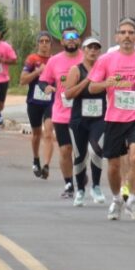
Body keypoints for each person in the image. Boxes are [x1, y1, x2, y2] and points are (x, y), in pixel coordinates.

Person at [88, 18, 135, 220]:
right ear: (116, 36)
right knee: (113, 165)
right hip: (114, 118)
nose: (127, 36)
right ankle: (117, 198)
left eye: (130, 32)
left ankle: (133, 200)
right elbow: (92, 87)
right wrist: (106, 84)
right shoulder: (106, 60)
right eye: (123, 32)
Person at [38, 29, 85, 198]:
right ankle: (69, 183)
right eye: (67, 37)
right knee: (65, 150)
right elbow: (43, 81)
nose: (71, 40)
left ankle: (82, 172)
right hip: (61, 114)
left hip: (83, 113)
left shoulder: (86, 58)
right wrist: (47, 87)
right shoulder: (54, 61)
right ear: (62, 42)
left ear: (79, 40)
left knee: (81, 151)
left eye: (74, 37)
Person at [64, 35, 108, 205]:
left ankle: (96, 186)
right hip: (79, 119)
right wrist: (87, 82)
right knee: (80, 155)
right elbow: (68, 94)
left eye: (96, 48)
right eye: (89, 48)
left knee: (96, 149)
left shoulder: (104, 69)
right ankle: (80, 189)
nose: (93, 51)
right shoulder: (76, 70)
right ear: (83, 50)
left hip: (99, 118)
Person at [21, 32, 56, 177]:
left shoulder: (55, 60)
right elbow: (23, 80)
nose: (44, 44)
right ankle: (36, 159)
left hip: (51, 101)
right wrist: (37, 72)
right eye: (41, 41)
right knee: (36, 133)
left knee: (48, 132)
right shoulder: (32, 59)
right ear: (37, 43)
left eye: (47, 41)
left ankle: (46, 165)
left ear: (50, 44)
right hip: (34, 101)